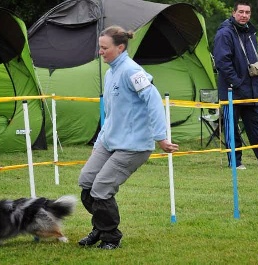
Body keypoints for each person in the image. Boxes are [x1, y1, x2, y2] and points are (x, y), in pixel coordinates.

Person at [77, 25, 179, 250]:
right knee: (86, 182)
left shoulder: (133, 71)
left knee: (101, 189)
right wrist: (99, 141)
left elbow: (153, 102)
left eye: (104, 48)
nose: (100, 52)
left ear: (120, 48)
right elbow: (112, 113)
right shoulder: (110, 72)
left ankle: (111, 237)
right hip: (109, 141)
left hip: (134, 146)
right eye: (100, 47)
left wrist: (161, 138)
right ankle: (101, 228)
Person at [213, 1, 258, 170]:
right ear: (233, 13)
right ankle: (236, 162)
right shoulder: (225, 33)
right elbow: (222, 63)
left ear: (250, 15)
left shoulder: (250, 32)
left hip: (252, 89)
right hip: (232, 90)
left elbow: (252, 59)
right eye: (241, 12)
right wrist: (237, 83)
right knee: (232, 128)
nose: (244, 15)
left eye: (247, 12)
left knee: (256, 127)